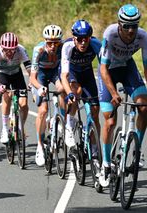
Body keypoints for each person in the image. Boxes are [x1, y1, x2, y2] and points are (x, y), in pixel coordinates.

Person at [97, 4, 147, 187]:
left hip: (127, 68)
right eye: (126, 26)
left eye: (134, 25)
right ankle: (105, 165)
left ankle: (137, 149)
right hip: (108, 71)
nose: (130, 30)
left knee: (143, 106)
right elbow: (102, 67)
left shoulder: (143, 36)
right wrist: (113, 93)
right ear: (119, 24)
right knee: (110, 121)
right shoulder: (110, 34)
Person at [61, 20, 101, 156]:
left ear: (90, 38)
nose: (83, 42)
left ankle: (95, 147)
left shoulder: (96, 45)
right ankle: (69, 125)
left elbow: (105, 69)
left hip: (87, 73)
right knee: (76, 92)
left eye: (86, 39)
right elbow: (64, 74)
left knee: (95, 112)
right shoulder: (67, 46)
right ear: (74, 38)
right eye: (79, 39)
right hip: (72, 72)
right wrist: (68, 93)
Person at [30, 25, 65, 166]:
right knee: (43, 110)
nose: (52, 45)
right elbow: (32, 78)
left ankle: (60, 118)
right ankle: (39, 145)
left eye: (55, 42)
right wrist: (39, 88)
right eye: (49, 42)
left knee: (63, 89)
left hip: (55, 72)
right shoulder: (38, 50)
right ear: (45, 41)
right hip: (41, 76)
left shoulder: (63, 48)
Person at [0, 32, 31, 144]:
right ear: (1, 47)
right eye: (6, 49)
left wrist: (32, 81)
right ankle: (4, 128)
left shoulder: (21, 50)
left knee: (24, 103)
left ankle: (21, 126)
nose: (9, 52)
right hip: (3, 75)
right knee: (6, 97)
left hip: (17, 74)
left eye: (12, 50)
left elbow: (29, 69)